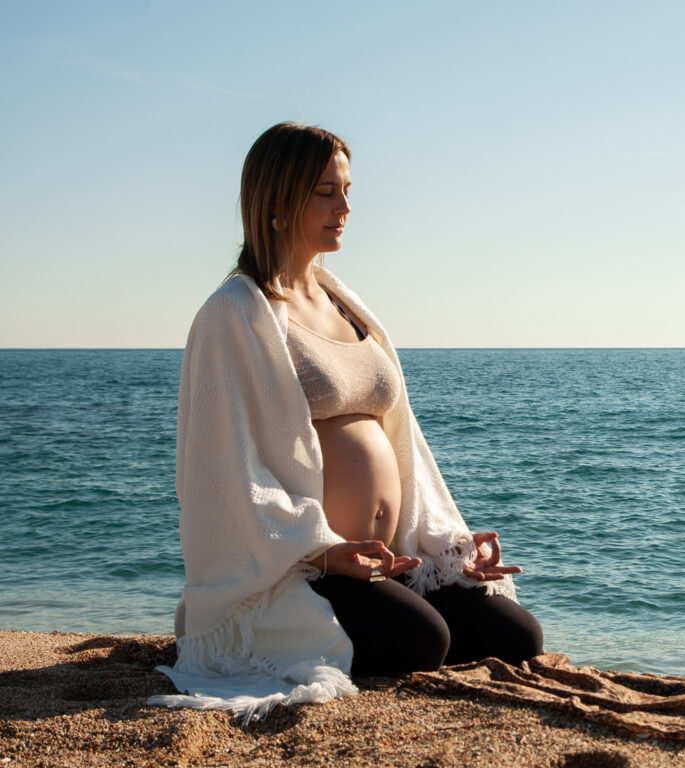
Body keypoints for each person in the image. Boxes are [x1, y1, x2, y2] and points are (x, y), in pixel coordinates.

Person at [151, 123, 542, 721]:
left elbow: (405, 448)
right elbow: (221, 473)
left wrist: (447, 546)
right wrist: (323, 550)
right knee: (423, 641)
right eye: (326, 191)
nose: (346, 207)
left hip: (388, 556)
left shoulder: (346, 304)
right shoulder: (235, 313)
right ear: (279, 200)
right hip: (304, 571)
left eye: (348, 189)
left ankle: (403, 601)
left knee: (517, 637)